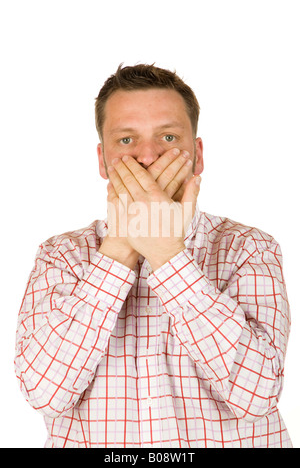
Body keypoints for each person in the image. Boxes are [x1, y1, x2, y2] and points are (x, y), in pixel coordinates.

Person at [14, 64, 292, 448]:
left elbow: (257, 394)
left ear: (196, 154)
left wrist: (167, 254)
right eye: (127, 141)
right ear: (102, 160)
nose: (148, 155)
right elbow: (42, 392)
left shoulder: (249, 247)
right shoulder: (60, 255)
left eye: (168, 136)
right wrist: (121, 247)